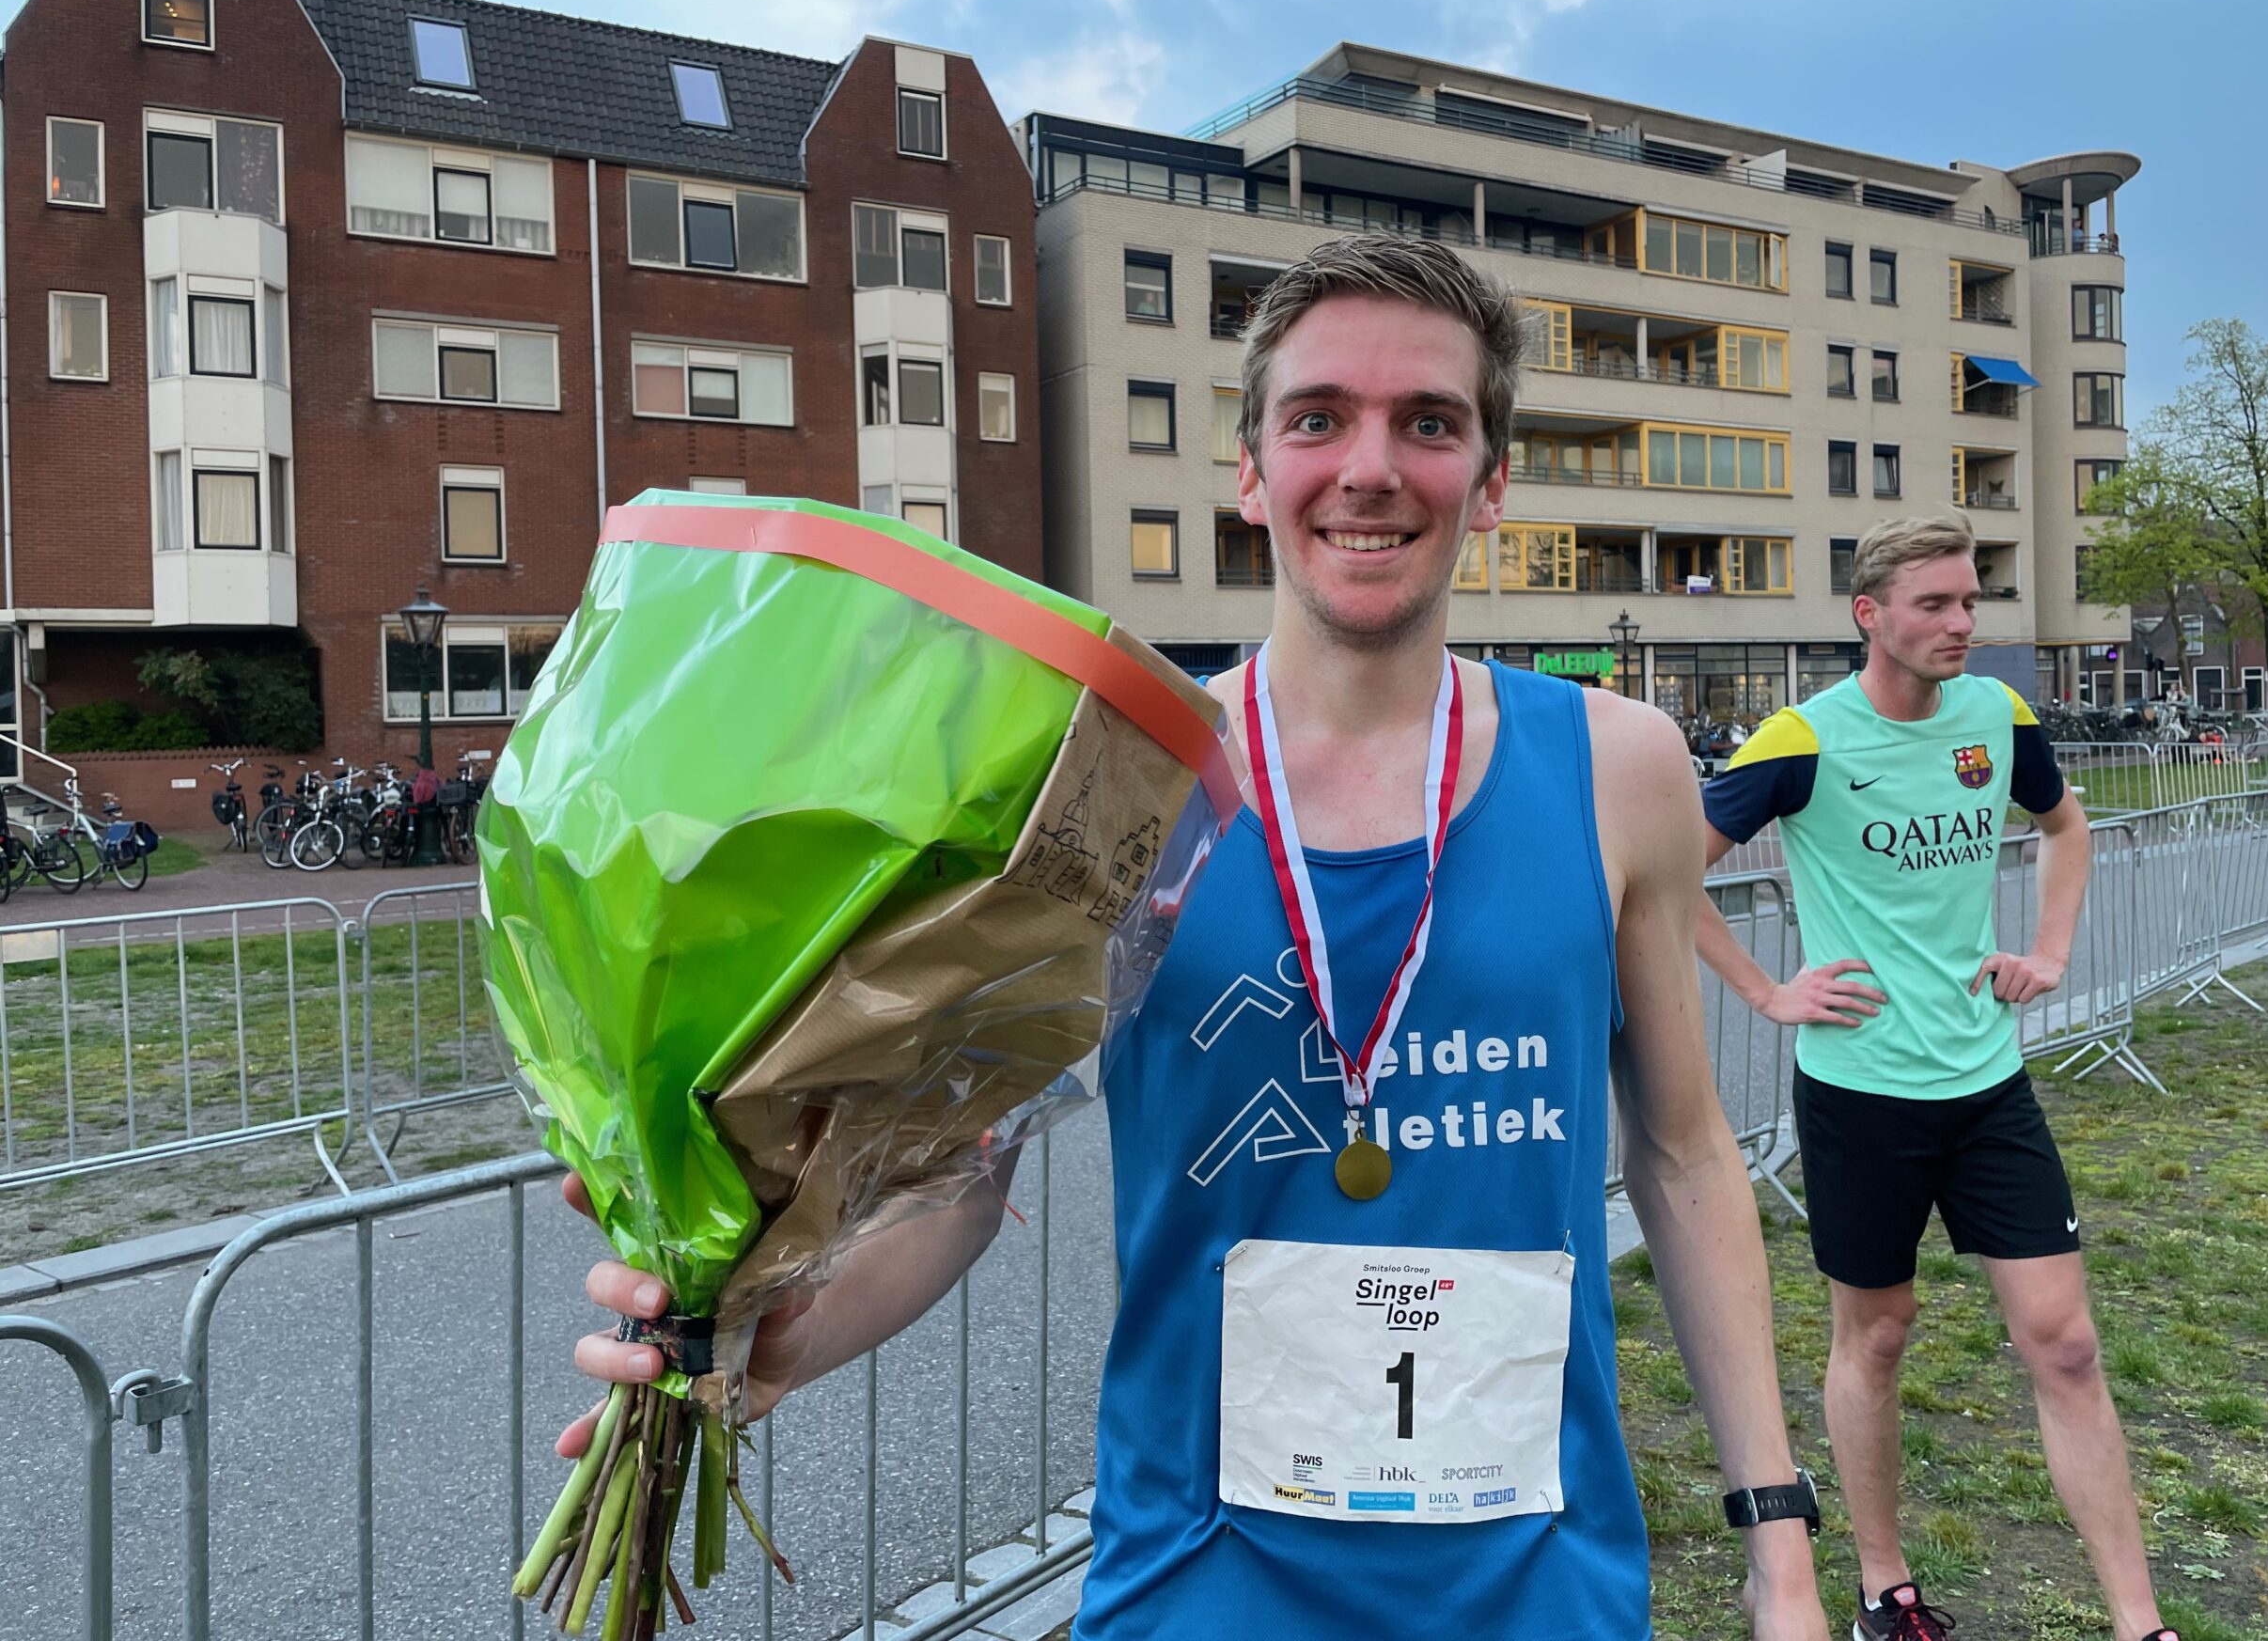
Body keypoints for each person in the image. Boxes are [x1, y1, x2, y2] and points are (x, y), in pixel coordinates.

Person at [565, 232, 1831, 1636]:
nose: (1370, 467)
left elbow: (1682, 1149)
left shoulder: (1620, 766)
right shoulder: (1120, 793)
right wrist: (764, 1328)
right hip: (1201, 1584)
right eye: (1318, 419)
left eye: (1429, 422)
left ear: (1490, 478)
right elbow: (964, 1180)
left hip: (1538, 1581)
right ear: (1250, 472)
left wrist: (1779, 1540)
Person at [1692, 513, 2180, 1641]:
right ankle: (1883, 1586)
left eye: (1970, 602)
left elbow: (2065, 827)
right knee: (1878, 1332)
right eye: (1936, 605)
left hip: (1986, 1082)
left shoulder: (1996, 718)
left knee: (2062, 1340)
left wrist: (2050, 953)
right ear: (1870, 615)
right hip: (1860, 1094)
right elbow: (1662, 869)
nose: (1962, 624)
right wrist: (1767, 992)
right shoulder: (1800, 739)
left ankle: (2137, 1620)